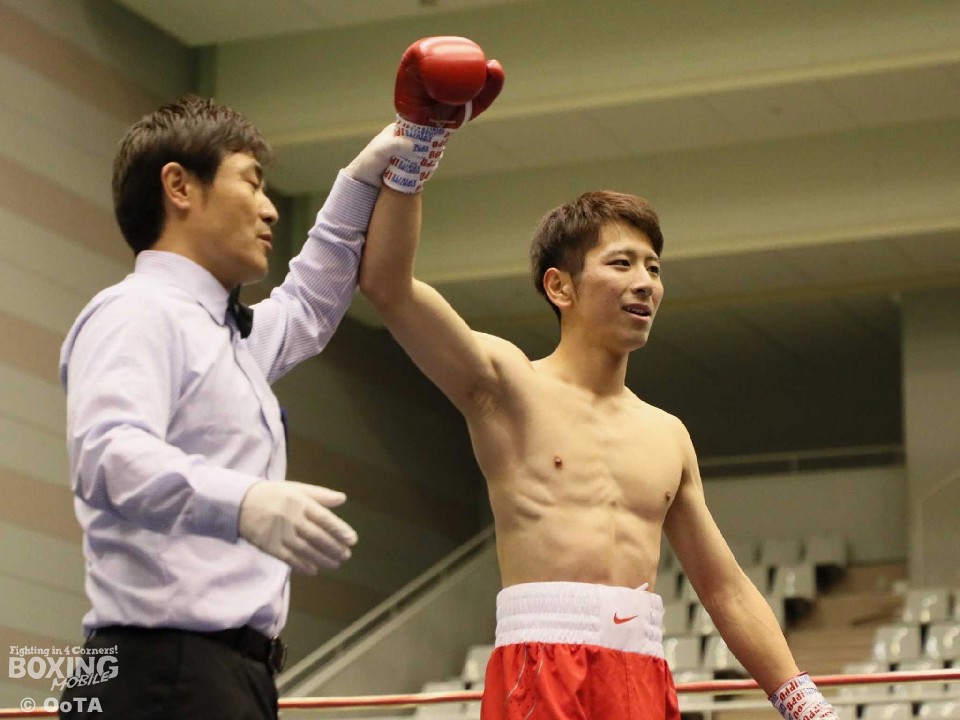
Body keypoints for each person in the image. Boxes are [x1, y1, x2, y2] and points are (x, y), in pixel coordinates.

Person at [361, 41, 840, 720]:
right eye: (622, 264)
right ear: (560, 286)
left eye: (654, 268)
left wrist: (803, 702)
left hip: (642, 673)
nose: (645, 282)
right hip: (540, 669)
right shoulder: (507, 387)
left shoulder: (667, 435)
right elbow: (388, 286)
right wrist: (415, 147)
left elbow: (724, 587)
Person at [58, 94, 412, 719]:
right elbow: (107, 454)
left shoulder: (225, 337)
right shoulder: (137, 310)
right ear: (179, 187)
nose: (270, 208)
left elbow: (307, 304)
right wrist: (242, 502)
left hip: (223, 676)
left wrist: (359, 184)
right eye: (252, 182)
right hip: (160, 674)